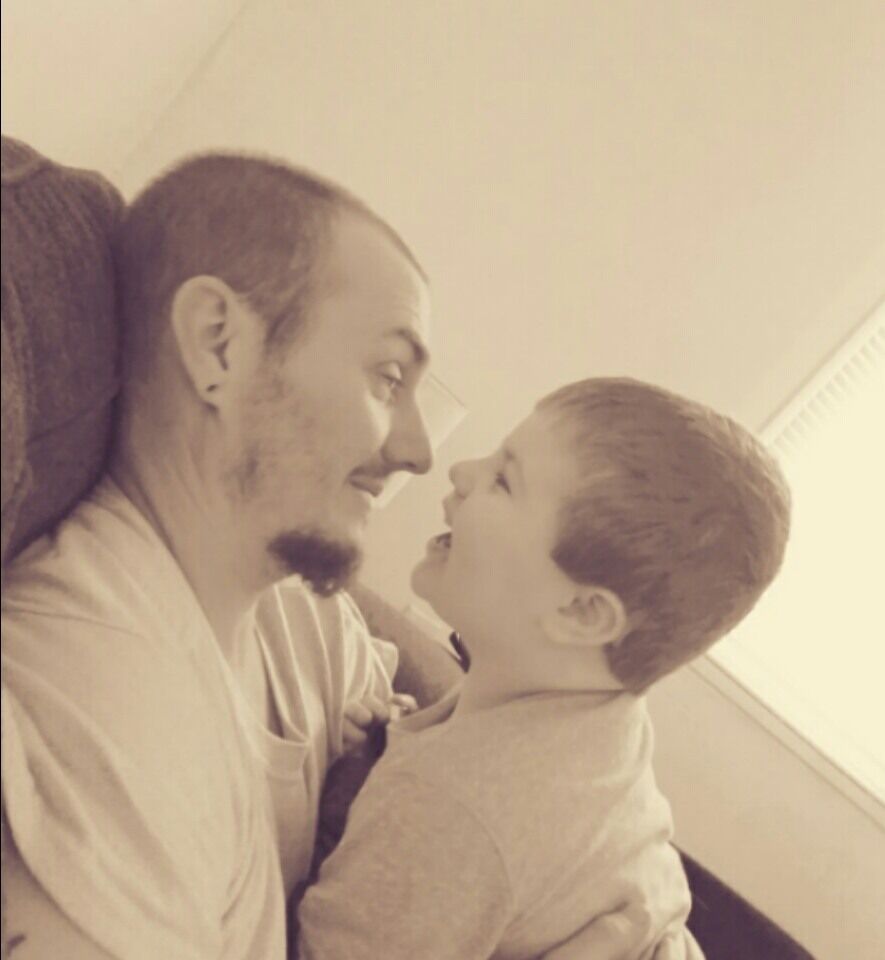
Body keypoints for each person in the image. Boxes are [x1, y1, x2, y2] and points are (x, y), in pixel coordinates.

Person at [0, 153, 650, 960]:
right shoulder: (105, 725)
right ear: (218, 345)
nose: (418, 452)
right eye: (387, 378)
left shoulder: (298, 610)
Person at [295, 377, 792, 960]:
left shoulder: (454, 809)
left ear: (582, 612)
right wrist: (386, 752)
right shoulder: (601, 722)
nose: (461, 471)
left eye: (504, 480)